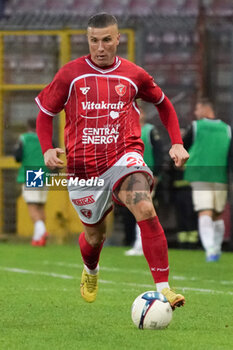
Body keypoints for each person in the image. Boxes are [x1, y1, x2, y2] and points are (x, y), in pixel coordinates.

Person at [35, 13, 189, 309]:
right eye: (94, 40)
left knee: (143, 203)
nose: (100, 47)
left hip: (124, 155)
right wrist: (47, 148)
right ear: (88, 40)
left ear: (119, 39)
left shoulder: (134, 75)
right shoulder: (70, 74)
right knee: (94, 237)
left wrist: (177, 142)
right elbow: (45, 112)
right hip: (83, 168)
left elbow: (163, 104)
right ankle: (91, 270)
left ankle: (164, 288)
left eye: (107, 40)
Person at [184, 98, 233, 261]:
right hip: (219, 176)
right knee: (214, 212)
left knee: (210, 212)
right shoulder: (227, 129)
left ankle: (213, 248)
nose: (196, 113)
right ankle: (213, 248)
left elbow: (182, 146)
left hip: (200, 173)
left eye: (198, 109)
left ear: (206, 108)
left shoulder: (196, 126)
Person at [124, 105, 164, 256]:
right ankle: (141, 243)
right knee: (137, 209)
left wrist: (157, 174)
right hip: (130, 175)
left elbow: (159, 152)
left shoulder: (150, 130)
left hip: (147, 174)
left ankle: (141, 245)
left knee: (143, 208)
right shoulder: (126, 130)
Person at [14, 118, 48, 246]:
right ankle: (38, 238)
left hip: (31, 173)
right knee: (40, 206)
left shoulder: (24, 138)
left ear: (28, 126)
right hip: (44, 173)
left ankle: (42, 231)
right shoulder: (46, 137)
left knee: (32, 206)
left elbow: (17, 157)